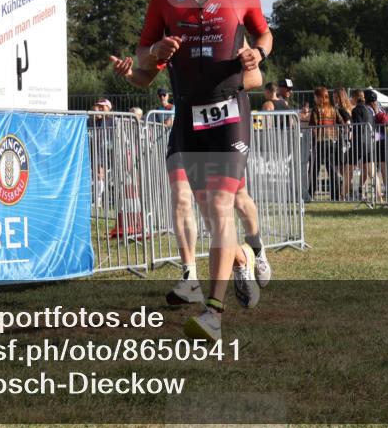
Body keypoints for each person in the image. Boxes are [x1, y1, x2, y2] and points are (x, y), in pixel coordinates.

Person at [136, 0, 273, 341]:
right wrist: (156, 50)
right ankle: (241, 259)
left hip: (230, 112)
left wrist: (257, 55)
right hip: (188, 116)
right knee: (208, 212)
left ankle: (213, 312)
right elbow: (142, 57)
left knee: (220, 203)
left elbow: (265, 36)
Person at [108, 51, 272, 307]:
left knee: (236, 201)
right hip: (185, 125)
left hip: (224, 123)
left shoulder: (228, 30)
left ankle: (254, 247)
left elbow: (254, 78)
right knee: (182, 198)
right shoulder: (173, 34)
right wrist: (129, 73)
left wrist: (213, 86)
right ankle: (191, 278)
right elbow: (145, 77)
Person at [308, 86, 344, 201]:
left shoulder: (316, 109)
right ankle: (335, 196)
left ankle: (310, 194)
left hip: (320, 141)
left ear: (320, 97)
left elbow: (313, 126)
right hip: (332, 141)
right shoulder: (333, 109)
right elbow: (341, 122)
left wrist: (313, 139)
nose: (314, 99)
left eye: (315, 96)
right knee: (332, 169)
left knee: (315, 169)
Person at [334, 88, 356, 200]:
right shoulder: (346, 108)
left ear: (339, 97)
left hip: (344, 140)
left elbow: (348, 123)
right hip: (345, 140)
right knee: (342, 166)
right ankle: (349, 188)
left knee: (341, 166)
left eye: (335, 96)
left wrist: (347, 135)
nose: (333, 98)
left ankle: (349, 188)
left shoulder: (341, 109)